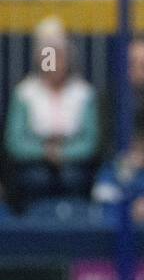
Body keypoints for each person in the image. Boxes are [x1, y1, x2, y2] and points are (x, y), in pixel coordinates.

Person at [4, 18, 99, 211]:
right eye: (48, 55)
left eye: (59, 55)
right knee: (35, 179)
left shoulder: (84, 93)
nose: (54, 62)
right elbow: (14, 142)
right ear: (39, 58)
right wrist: (44, 152)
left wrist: (63, 153)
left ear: (68, 57)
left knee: (74, 177)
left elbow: (91, 142)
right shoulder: (24, 92)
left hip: (75, 163)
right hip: (33, 163)